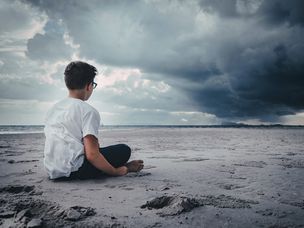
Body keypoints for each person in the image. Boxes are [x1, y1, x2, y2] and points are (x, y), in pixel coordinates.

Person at [43, 61, 144, 180]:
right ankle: (120, 167)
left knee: (95, 150)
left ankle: (106, 167)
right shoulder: (88, 110)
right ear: (89, 86)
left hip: (53, 170)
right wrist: (116, 171)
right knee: (123, 150)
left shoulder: (53, 109)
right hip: (75, 171)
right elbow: (92, 155)